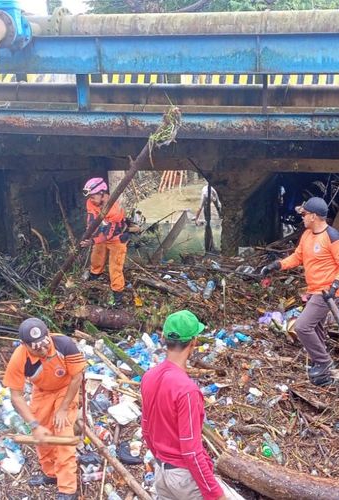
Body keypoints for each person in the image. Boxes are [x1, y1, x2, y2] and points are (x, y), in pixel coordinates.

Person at [141, 310, 231, 500]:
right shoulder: (187, 391)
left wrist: (160, 459)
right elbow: (191, 451)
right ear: (194, 342)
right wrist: (214, 493)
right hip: (183, 479)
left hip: (161, 473)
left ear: (164, 338)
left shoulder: (149, 377)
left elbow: (146, 429)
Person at [260, 196, 339, 385]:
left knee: (302, 326)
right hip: (314, 290)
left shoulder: (333, 237)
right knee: (315, 327)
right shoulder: (307, 235)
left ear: (314, 216)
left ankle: (324, 362)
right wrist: (276, 265)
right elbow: (297, 257)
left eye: (305, 214)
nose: (302, 217)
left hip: (327, 294)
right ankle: (322, 366)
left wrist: (335, 286)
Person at [3, 318, 86, 500]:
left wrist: (63, 408)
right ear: (25, 345)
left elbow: (77, 378)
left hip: (66, 389)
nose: (42, 350)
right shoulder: (19, 357)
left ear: (48, 333)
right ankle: (51, 474)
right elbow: (16, 396)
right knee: (42, 434)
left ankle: (67, 489)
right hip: (41, 390)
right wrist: (34, 425)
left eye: (44, 344)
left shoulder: (64, 344)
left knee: (62, 434)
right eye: (35, 348)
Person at [80, 177, 130, 305]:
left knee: (115, 268)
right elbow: (91, 220)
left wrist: (92, 241)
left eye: (93, 196)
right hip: (102, 235)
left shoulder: (115, 211)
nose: (90, 199)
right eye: (90, 196)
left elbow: (109, 234)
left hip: (117, 238)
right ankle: (93, 281)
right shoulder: (91, 202)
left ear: (102, 193)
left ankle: (117, 298)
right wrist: (89, 235)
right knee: (96, 258)